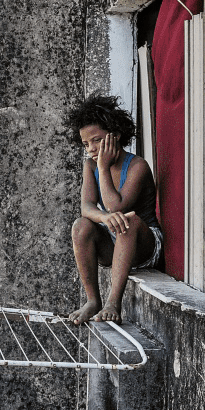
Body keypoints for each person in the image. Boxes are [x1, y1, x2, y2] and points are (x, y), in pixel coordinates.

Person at [65, 93, 163, 324]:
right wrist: (103, 218)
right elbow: (86, 207)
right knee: (81, 226)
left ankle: (113, 303)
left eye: (97, 140)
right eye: (86, 144)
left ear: (116, 135)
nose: (90, 149)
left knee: (127, 220)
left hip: (143, 244)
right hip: (114, 241)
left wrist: (103, 166)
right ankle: (93, 300)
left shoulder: (137, 166)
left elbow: (115, 205)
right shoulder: (90, 166)